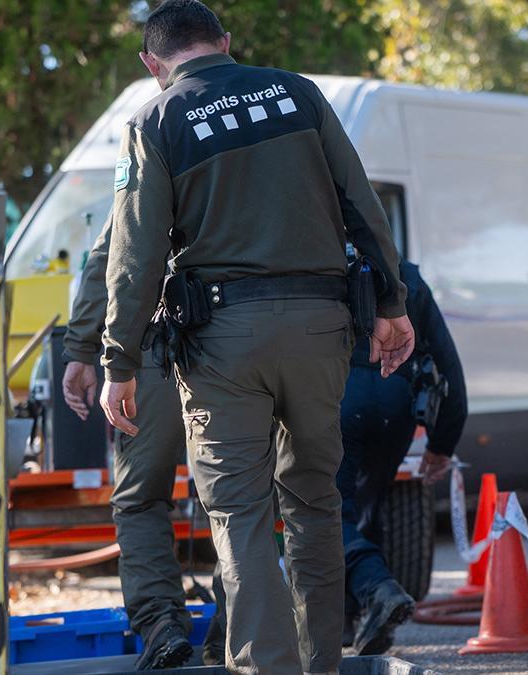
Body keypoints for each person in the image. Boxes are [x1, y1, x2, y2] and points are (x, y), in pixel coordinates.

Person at [98, 2, 414, 673]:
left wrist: (118, 360)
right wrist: (392, 304)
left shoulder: (155, 121)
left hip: (224, 343)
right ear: (225, 41)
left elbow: (135, 255)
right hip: (321, 329)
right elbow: (360, 203)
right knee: (315, 501)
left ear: (153, 64)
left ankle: (267, 667)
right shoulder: (298, 94)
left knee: (240, 511)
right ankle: (320, 663)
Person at [62, 216, 227, 669]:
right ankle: (234, 628)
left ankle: (161, 625)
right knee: (240, 497)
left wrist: (81, 349)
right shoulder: (267, 170)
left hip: (159, 353)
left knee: (140, 498)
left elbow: (110, 257)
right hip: (238, 348)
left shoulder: (151, 169)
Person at [339, 260, 468, 655]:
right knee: (369, 509)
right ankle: (355, 619)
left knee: (326, 512)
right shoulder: (404, 274)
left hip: (336, 400)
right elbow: (450, 369)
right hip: (396, 404)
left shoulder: (316, 261)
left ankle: (376, 590)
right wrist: (441, 444)